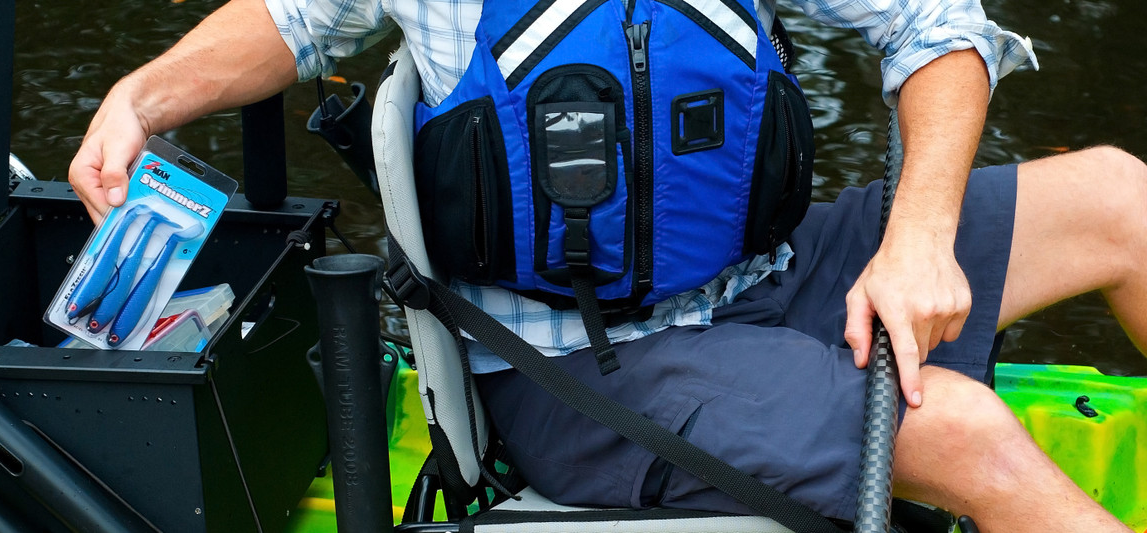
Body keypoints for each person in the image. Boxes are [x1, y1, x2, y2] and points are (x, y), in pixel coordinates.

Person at [68, 0, 1143, 530]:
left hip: (764, 273)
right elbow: (291, 19)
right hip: (581, 374)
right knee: (962, 428)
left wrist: (916, 235)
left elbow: (937, 26)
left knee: (1120, 198)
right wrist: (137, 97)